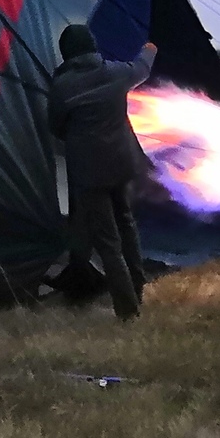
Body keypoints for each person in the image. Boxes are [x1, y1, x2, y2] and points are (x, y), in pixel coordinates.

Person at [48, 23, 157, 319]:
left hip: (89, 172)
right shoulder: (115, 73)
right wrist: (149, 49)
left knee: (108, 242)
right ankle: (137, 292)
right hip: (122, 164)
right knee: (127, 227)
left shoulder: (62, 86)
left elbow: (56, 127)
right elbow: (141, 69)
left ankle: (127, 312)